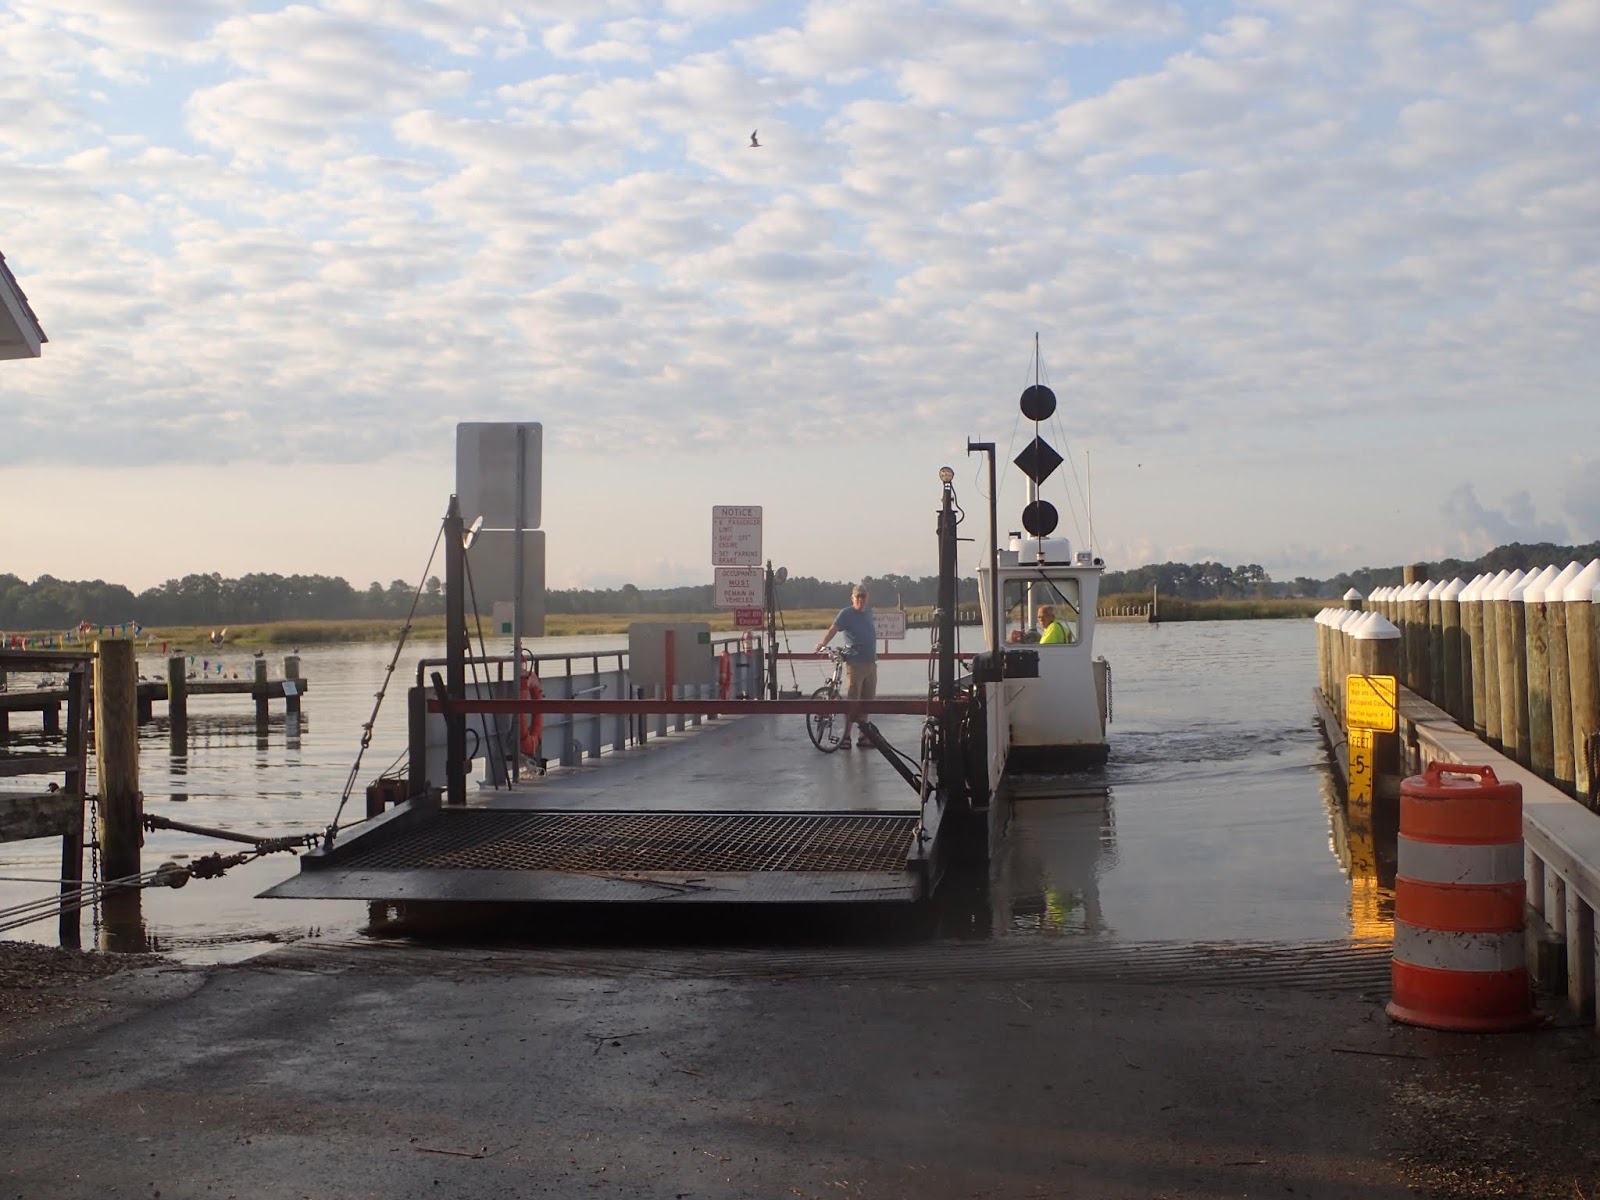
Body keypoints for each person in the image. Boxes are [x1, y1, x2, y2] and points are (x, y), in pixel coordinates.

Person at [815, 584, 878, 748]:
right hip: (855, 663)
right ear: (852, 598)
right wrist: (822, 643)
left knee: (867, 701)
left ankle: (863, 736)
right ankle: (846, 737)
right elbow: (833, 629)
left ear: (867, 597)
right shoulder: (846, 613)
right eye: (857, 597)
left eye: (863, 596)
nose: (860, 600)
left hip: (870, 662)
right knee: (853, 700)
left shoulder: (869, 612)